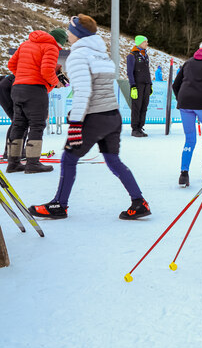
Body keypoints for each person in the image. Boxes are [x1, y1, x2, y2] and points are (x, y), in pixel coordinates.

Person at [27, 15, 151, 220]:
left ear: (78, 34)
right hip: (112, 116)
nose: (68, 34)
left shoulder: (78, 56)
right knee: (113, 160)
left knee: (69, 157)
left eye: (70, 30)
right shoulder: (102, 55)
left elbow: (83, 92)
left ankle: (59, 204)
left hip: (94, 117)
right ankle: (139, 202)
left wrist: (76, 123)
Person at [6, 28, 67, 173]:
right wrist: (56, 82)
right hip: (35, 90)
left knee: (18, 125)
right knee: (37, 125)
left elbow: (11, 64)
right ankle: (33, 164)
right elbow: (46, 71)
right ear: (59, 42)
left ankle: (13, 163)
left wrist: (23, 77)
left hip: (18, 88)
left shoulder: (25, 44)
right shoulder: (51, 47)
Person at [172, 39, 202, 187]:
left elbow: (175, 85)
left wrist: (181, 98)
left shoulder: (188, 62)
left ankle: (184, 173)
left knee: (190, 139)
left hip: (185, 103)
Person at [126, 35, 152, 137]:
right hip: (137, 85)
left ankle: (140, 127)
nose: (147, 44)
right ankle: (135, 128)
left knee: (144, 106)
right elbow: (130, 72)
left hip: (146, 84)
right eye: (145, 42)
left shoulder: (145, 55)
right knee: (137, 107)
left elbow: (147, 71)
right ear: (140, 43)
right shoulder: (132, 55)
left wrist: (150, 84)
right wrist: (133, 86)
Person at [0, 74, 15, 159]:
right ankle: (11, 151)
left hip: (6, 88)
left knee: (18, 122)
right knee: (19, 122)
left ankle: (12, 151)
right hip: (5, 89)